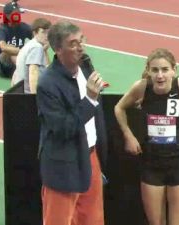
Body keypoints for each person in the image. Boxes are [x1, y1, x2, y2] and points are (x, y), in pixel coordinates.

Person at [114, 48, 179, 225]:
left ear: (174, 70)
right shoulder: (141, 88)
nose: (160, 75)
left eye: (165, 69)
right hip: (151, 165)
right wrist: (128, 135)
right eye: (155, 70)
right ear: (148, 70)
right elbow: (119, 108)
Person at [36, 20, 106, 225]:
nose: (80, 46)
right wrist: (90, 99)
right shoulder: (48, 84)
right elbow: (63, 128)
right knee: (59, 220)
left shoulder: (85, 65)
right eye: (73, 43)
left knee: (93, 219)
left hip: (91, 156)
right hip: (64, 162)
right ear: (58, 49)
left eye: (81, 40)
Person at [0, 1, 32, 78]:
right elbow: (3, 47)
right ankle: (26, 71)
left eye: (19, 13)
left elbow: (37, 37)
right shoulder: (2, 30)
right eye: (15, 14)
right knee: (9, 48)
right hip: (1, 65)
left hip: (15, 64)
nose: (18, 16)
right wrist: (23, 52)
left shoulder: (24, 27)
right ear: (7, 16)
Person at [11, 18, 51, 93]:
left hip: (20, 91)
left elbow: (16, 72)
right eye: (43, 32)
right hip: (28, 93)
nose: (47, 35)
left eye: (48, 32)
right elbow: (33, 71)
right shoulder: (36, 48)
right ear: (35, 33)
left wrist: (11, 91)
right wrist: (33, 97)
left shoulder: (29, 45)